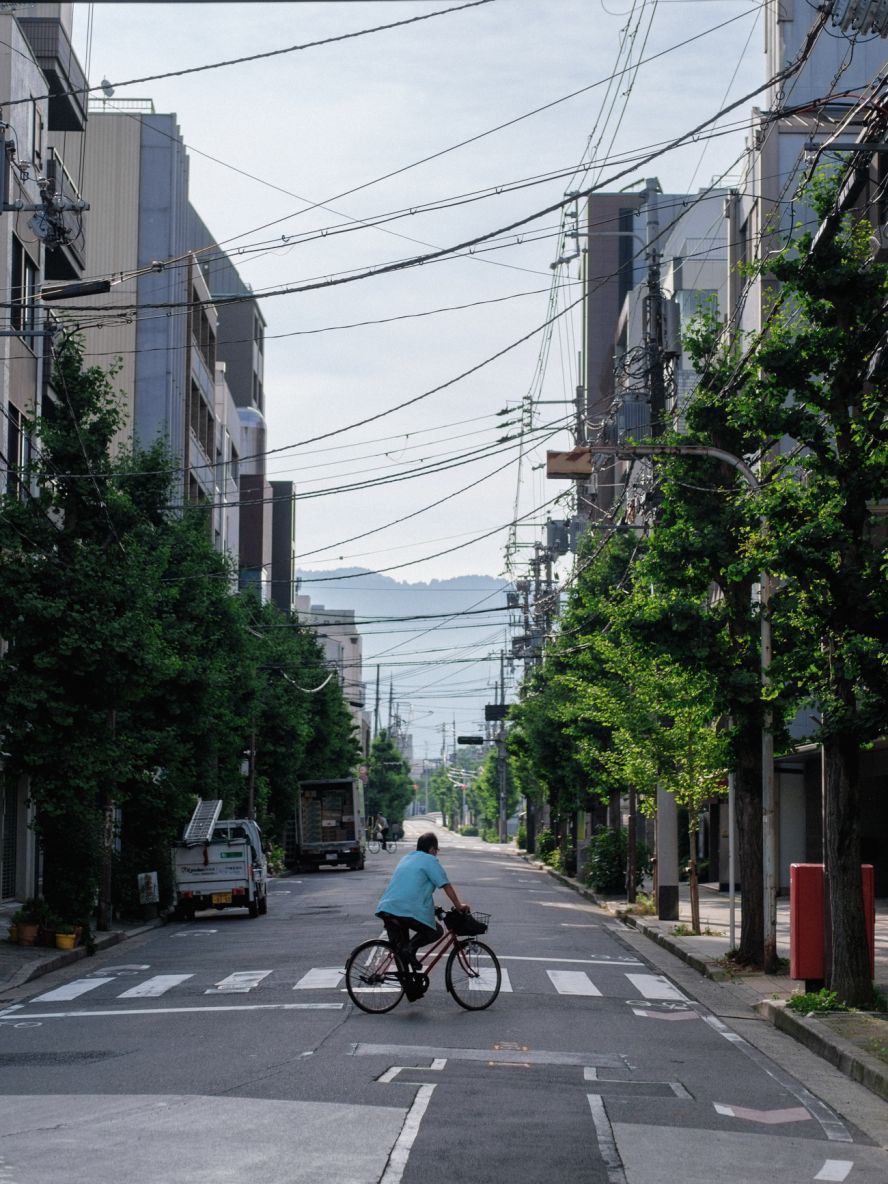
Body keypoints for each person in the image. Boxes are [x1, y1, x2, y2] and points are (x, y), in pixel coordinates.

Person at [375, 831, 470, 970]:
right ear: (432, 849)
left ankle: (410, 988)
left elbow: (410, 890)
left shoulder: (406, 858)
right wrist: (458, 905)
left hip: (387, 908)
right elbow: (445, 885)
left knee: (400, 954)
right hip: (406, 910)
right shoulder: (429, 860)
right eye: (436, 850)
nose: (436, 853)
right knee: (436, 931)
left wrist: (433, 907)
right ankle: (410, 949)